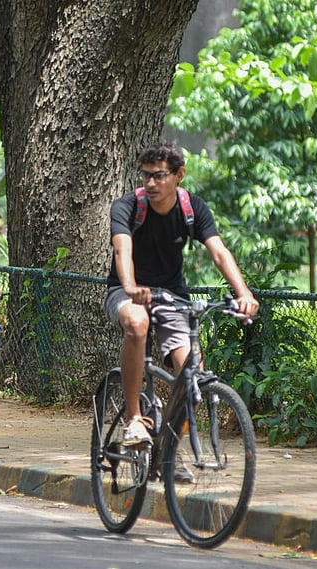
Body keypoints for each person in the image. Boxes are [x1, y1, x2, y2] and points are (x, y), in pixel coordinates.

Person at [103, 141, 260, 449]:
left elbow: (219, 252)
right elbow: (123, 248)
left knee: (193, 380)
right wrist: (132, 287)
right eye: (146, 175)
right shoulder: (127, 207)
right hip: (125, 292)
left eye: (159, 176)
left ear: (179, 175)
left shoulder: (192, 209)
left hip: (172, 297)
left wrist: (243, 293)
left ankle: (168, 452)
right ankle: (134, 419)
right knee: (137, 323)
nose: (150, 183)